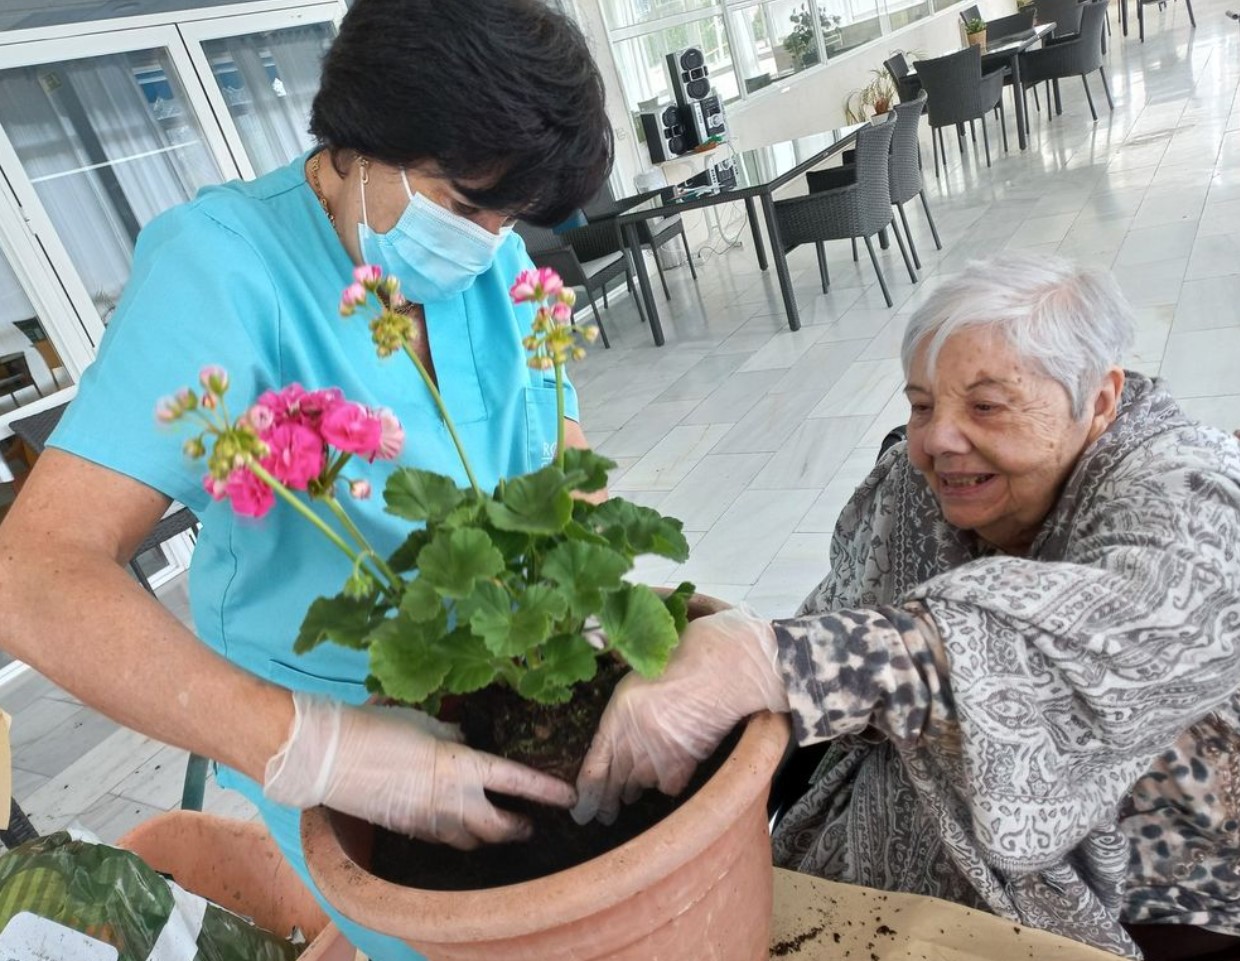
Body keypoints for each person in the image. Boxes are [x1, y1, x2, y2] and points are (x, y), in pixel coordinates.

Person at [0, 1, 611, 958]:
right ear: (362, 138)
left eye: (511, 219)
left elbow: (559, 452)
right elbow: (32, 573)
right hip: (348, 740)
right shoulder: (221, 267)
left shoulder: (482, 266)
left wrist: (593, 588)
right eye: (466, 206)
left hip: (504, 683)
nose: (490, 242)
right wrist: (315, 746)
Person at [571, 254, 1240, 961]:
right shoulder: (919, 486)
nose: (937, 441)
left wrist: (782, 661)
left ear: (1100, 400)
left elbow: (1134, 631)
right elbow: (837, 614)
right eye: (921, 404)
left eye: (986, 405)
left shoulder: (1184, 487)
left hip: (1151, 872)